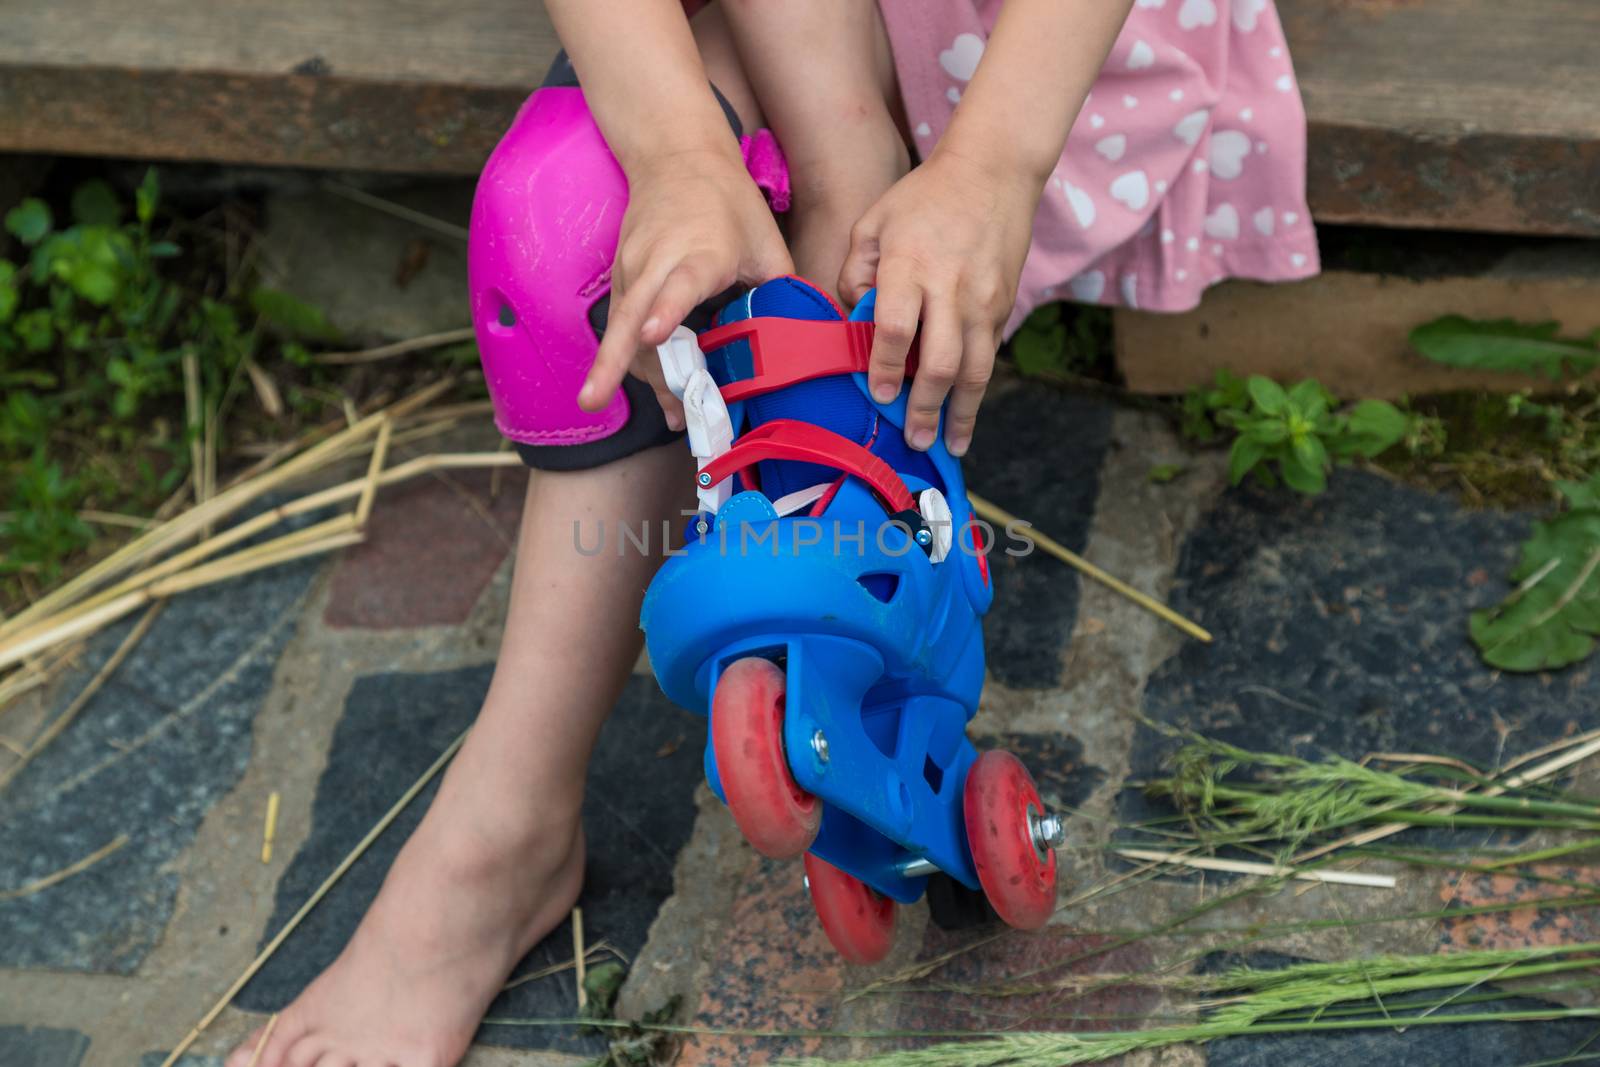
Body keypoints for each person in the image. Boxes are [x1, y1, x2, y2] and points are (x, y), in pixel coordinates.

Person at [229, 1, 1316, 1064]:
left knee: (650, 203)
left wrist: (996, 165)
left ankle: (862, 457)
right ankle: (506, 830)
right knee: (574, 215)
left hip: (1027, 49)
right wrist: (680, 155)